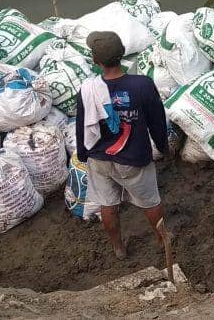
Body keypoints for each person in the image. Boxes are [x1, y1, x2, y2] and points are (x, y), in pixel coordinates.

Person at [75, 31, 170, 259]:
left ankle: (118, 248)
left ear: (96, 62)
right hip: (133, 158)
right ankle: (162, 238)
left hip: (99, 158)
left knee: (107, 204)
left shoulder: (87, 90)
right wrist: (163, 147)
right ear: (122, 54)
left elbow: (82, 125)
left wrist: (82, 153)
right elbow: (157, 121)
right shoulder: (142, 85)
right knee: (150, 201)